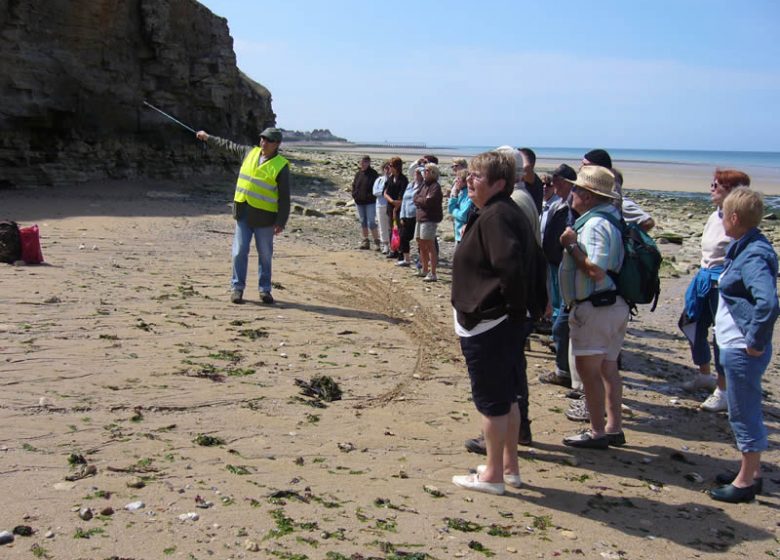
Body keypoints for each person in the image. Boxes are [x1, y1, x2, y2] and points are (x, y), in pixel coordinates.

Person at [451, 151, 546, 495]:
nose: (469, 180)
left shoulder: (497, 216)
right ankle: (508, 467)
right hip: (500, 322)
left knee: (492, 402)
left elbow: (511, 266)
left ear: (499, 183)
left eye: (477, 176)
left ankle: (492, 475)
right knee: (508, 398)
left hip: (491, 324)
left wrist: (517, 312)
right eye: (470, 174)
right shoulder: (503, 212)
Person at [708, 187, 779, 503]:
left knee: (743, 412)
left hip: (741, 347)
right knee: (743, 409)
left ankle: (745, 481)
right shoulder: (746, 246)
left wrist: (754, 341)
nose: (720, 219)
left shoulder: (752, 255)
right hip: (736, 344)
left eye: (723, 213)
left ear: (734, 217)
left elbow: (768, 303)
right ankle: (753, 473)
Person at [559, 165, 630, 449]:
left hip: (597, 307)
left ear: (588, 196)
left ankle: (598, 431)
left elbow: (596, 270)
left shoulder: (596, 224)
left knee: (589, 371)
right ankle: (613, 427)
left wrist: (571, 245)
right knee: (607, 369)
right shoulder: (612, 218)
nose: (572, 194)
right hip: (614, 306)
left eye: (576, 189)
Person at [679, 169, 751, 412]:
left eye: (717, 185)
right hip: (704, 278)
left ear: (733, 191)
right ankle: (704, 373)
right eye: (712, 183)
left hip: (722, 283)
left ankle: (724, 389)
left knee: (721, 335)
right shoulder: (714, 216)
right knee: (691, 323)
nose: (711, 188)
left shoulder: (739, 221)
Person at [195, 127, 290, 305]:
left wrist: (281, 221)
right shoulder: (249, 152)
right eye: (262, 139)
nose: (263, 142)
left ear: (276, 144)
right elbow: (227, 146)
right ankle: (237, 289)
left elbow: (284, 197)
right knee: (239, 251)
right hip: (243, 212)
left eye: (268, 140)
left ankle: (264, 291)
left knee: (265, 254)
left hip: (265, 218)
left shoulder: (281, 166)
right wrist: (207, 137)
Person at [538, 164, 578, 390]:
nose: (552, 186)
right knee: (557, 311)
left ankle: (565, 371)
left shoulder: (572, 203)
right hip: (556, 263)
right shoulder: (562, 203)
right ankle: (564, 365)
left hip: (567, 267)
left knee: (563, 319)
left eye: (555, 182)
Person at [413, 163, 443, 282]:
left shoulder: (435, 186)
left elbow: (429, 201)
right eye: (424, 170)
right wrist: (421, 200)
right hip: (420, 218)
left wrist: (421, 200)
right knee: (421, 243)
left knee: (430, 244)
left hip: (429, 219)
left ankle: (433, 272)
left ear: (433, 173)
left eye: (426, 171)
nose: (424, 173)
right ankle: (425, 269)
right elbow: (415, 198)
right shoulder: (424, 185)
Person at [351, 156, 380, 250]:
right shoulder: (358, 173)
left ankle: (377, 242)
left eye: (364, 162)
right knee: (363, 221)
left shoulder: (373, 174)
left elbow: (377, 188)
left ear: (369, 163)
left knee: (371, 222)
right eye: (361, 162)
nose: (362, 164)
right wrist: (355, 195)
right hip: (359, 201)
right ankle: (365, 241)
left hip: (370, 202)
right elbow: (354, 185)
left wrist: (371, 197)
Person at [383, 157, 408, 260]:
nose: (389, 167)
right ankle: (393, 249)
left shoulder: (403, 179)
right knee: (391, 229)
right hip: (390, 206)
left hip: (399, 208)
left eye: (391, 166)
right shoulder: (390, 178)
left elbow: (402, 196)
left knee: (399, 230)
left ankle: (401, 251)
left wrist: (396, 206)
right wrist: (391, 201)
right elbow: (384, 192)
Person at [396, 166, 421, 267]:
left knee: (419, 239)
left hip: (416, 216)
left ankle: (422, 260)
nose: (416, 174)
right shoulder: (410, 185)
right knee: (403, 237)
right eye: (415, 173)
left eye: (419, 173)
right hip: (406, 215)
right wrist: (402, 215)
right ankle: (406, 259)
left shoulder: (423, 186)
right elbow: (404, 200)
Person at [448, 168, 473, 244]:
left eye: (458, 178)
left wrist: (454, 211)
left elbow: (463, 215)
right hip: (458, 233)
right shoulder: (461, 193)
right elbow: (450, 209)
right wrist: (454, 195)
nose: (456, 181)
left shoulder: (469, 196)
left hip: (465, 234)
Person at [373, 161, 392, 254]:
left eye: (389, 168)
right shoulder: (379, 179)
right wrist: (385, 192)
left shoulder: (394, 179)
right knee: (382, 225)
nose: (388, 170)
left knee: (391, 226)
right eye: (386, 168)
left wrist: (386, 193)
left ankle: (393, 245)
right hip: (380, 205)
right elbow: (375, 192)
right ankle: (385, 245)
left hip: (391, 206)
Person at [519, 147, 544, 214]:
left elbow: (526, 167)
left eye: (518, 159)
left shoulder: (535, 181)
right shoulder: (521, 180)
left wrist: (520, 155)